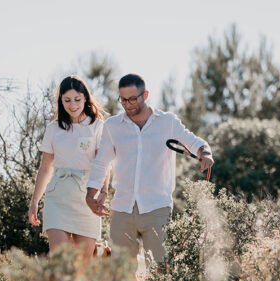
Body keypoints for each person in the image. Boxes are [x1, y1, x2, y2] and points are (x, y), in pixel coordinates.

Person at [85, 73, 213, 265]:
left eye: (133, 99)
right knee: (121, 275)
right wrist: (91, 194)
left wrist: (205, 153)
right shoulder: (112, 126)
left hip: (157, 209)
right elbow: (101, 162)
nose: (128, 104)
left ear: (145, 95)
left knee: (161, 270)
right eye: (123, 100)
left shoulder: (167, 122)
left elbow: (196, 142)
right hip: (122, 209)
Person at [28, 76, 110, 257]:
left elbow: (104, 163)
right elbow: (45, 167)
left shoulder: (98, 126)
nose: (72, 105)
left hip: (88, 198)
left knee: (82, 266)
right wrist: (34, 201)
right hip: (58, 198)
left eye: (77, 100)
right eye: (67, 100)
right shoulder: (53, 129)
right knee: (60, 260)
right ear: (60, 101)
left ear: (86, 99)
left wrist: (103, 192)